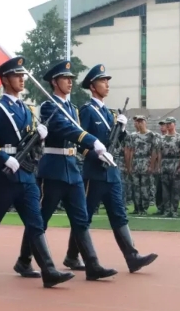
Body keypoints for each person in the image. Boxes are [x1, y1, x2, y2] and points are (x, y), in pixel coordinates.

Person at [0, 56, 74, 288]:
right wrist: (4, 157)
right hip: (5, 175)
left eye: (23, 75)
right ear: (5, 79)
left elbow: (29, 142)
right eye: (17, 76)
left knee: (35, 224)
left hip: (26, 175)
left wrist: (40, 135)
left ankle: (49, 270)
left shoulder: (26, 108)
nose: (22, 79)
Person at [15, 60, 118, 281]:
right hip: (53, 169)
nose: (70, 82)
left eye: (71, 79)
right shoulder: (50, 107)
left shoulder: (71, 108)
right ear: (54, 82)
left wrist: (98, 148)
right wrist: (92, 141)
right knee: (41, 218)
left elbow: (76, 133)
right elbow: (66, 129)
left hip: (72, 169)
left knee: (81, 219)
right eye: (65, 79)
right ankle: (24, 260)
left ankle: (92, 265)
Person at [62, 64, 158, 273]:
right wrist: (95, 153)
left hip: (111, 173)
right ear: (92, 86)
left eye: (107, 81)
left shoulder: (110, 113)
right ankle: (72, 256)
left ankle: (132, 257)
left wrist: (122, 129)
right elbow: (80, 142)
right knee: (84, 216)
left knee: (119, 214)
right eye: (103, 81)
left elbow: (116, 142)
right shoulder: (87, 111)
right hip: (94, 173)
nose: (107, 84)